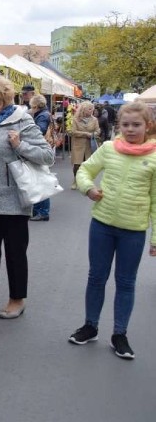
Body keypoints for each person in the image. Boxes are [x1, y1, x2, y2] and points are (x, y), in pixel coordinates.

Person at [68, 101, 156, 359]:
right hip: (102, 226)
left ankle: (119, 334)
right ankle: (90, 326)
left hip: (133, 231)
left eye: (136, 125)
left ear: (147, 126)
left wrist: (155, 238)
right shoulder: (108, 149)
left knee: (126, 283)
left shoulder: (154, 157)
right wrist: (88, 189)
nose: (130, 129)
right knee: (96, 277)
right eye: (126, 125)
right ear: (119, 126)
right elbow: (85, 169)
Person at [0, 77, 54, 319]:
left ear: (0, 102)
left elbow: (47, 155)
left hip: (13, 202)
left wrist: (20, 146)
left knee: (15, 253)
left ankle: (17, 299)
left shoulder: (22, 121)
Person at [29, 95, 53, 222]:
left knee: (39, 181)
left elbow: (40, 131)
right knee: (39, 180)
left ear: (36, 105)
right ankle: (40, 210)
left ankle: (42, 211)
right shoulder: (44, 114)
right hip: (42, 149)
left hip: (40, 149)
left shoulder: (42, 116)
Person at [69, 101, 99, 190]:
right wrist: (86, 134)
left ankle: (87, 181)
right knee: (77, 164)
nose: (91, 111)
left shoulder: (94, 120)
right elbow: (73, 132)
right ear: (83, 109)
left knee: (88, 164)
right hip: (78, 145)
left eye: (92, 109)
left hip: (90, 145)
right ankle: (75, 180)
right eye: (89, 109)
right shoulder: (75, 119)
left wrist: (94, 134)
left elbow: (98, 130)